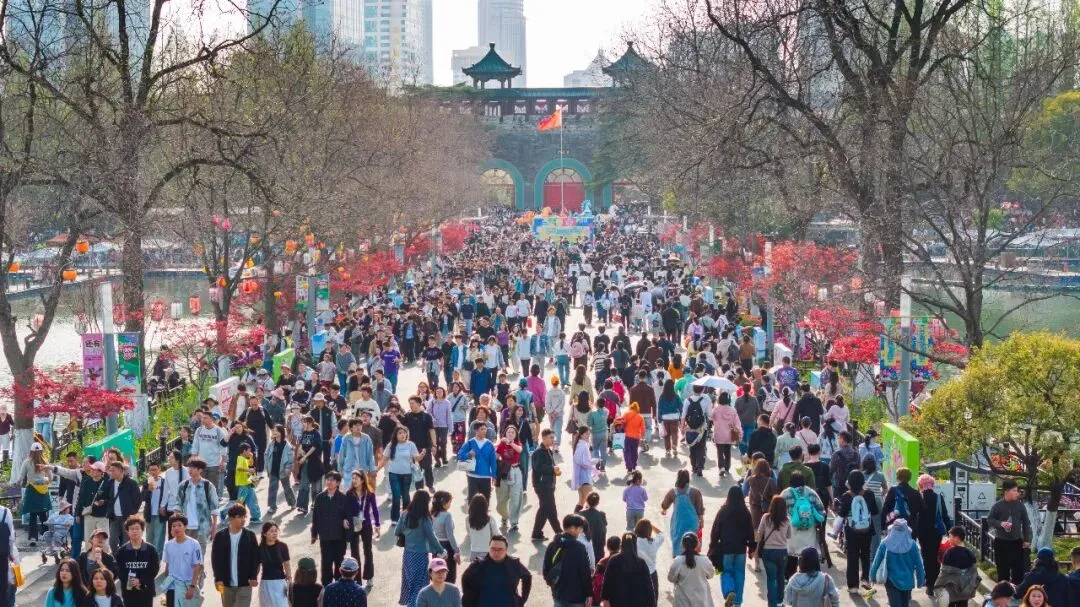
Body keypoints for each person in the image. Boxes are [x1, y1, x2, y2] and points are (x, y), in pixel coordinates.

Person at [396, 490, 448, 607]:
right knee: (419, 588)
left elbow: (397, 531)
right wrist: (441, 550)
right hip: (420, 557)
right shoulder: (425, 518)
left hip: (407, 556)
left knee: (410, 585)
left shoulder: (405, 514)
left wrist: (408, 532)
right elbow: (432, 537)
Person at [708, 485, 754, 606]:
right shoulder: (746, 512)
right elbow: (750, 532)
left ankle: (729, 591)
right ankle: (737, 602)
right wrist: (751, 549)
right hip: (741, 550)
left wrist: (713, 546)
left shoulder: (723, 511)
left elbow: (715, 530)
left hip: (726, 549)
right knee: (740, 574)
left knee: (725, 572)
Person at [837, 469, 880, 592]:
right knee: (866, 554)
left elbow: (842, 514)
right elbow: (875, 512)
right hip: (867, 529)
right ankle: (865, 579)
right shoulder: (869, 494)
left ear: (849, 482)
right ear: (862, 481)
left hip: (851, 530)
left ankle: (853, 586)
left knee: (852, 555)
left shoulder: (846, 496)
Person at [210, 504, 260, 607]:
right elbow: (215, 560)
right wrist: (217, 578)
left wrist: (254, 576)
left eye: (244, 517)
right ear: (231, 518)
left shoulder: (250, 536)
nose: (243, 520)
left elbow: (255, 558)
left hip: (245, 583)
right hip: (225, 584)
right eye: (240, 517)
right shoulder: (220, 536)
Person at [461, 535, 532, 607]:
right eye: (493, 549)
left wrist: (522, 600)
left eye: (500, 549)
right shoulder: (479, 564)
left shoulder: (514, 564)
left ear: (506, 550)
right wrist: (469, 600)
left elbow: (527, 576)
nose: (496, 552)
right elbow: (466, 578)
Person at [869, 519, 925, 607]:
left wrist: (872, 576)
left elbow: (876, 562)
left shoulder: (885, 543)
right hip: (907, 582)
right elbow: (919, 565)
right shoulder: (913, 545)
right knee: (905, 604)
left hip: (891, 582)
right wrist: (920, 581)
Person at [167, 458, 220, 551]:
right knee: (185, 555)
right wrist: (174, 526)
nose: (190, 470)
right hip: (185, 527)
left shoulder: (208, 486)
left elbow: (214, 508)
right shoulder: (183, 485)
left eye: (193, 468)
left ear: (200, 470)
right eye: (189, 467)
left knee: (199, 556)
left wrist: (214, 528)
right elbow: (177, 506)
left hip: (202, 528)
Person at [542, 514, 593, 607]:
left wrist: (554, 586)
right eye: (580, 528)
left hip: (558, 594)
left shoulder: (553, 544)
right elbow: (585, 572)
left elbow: (546, 568)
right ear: (572, 528)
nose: (581, 531)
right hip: (577, 597)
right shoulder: (579, 548)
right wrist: (589, 594)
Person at [988, 478, 1032, 584]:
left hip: (1017, 542)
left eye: (1017, 490)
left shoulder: (1020, 505)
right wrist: (1000, 523)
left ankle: (1017, 591)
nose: (1017, 493)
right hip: (1001, 542)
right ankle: (1003, 591)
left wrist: (1027, 539)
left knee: (1018, 571)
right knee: (1003, 571)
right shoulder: (997, 506)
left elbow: (1026, 523)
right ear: (1006, 491)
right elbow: (990, 519)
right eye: (1014, 490)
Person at [311, 471, 349, 587]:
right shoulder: (320, 498)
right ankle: (326, 586)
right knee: (326, 563)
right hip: (325, 537)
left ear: (338, 483)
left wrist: (347, 534)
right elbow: (315, 517)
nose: (329, 482)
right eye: (327, 479)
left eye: (332, 480)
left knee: (339, 562)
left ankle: (338, 585)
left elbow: (348, 517)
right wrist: (314, 534)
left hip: (339, 537)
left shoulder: (343, 498)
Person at [915, 474, 951, 596]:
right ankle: (935, 582)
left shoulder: (919, 497)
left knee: (926, 557)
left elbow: (914, 515)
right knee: (936, 557)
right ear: (932, 484)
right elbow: (944, 515)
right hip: (936, 532)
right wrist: (950, 531)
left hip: (922, 533)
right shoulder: (938, 498)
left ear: (921, 485)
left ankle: (929, 584)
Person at [160, 515, 205, 607]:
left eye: (179, 525)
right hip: (172, 585)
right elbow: (167, 566)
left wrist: (192, 586)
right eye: (173, 526)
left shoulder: (194, 544)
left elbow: (197, 566)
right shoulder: (168, 545)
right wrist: (166, 585)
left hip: (188, 585)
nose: (176, 528)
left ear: (185, 526)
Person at [115, 516, 159, 607]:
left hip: (146, 590)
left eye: (137, 528)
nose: (134, 531)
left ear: (142, 530)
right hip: (128, 591)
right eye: (131, 529)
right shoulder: (121, 551)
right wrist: (131, 581)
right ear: (127, 531)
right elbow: (119, 570)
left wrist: (140, 581)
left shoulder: (151, 550)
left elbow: (154, 569)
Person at [344, 470, 379, 585]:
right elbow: (345, 510)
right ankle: (357, 579)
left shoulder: (369, 493)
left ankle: (369, 576)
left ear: (363, 480)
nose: (354, 481)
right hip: (354, 525)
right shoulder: (349, 494)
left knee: (368, 550)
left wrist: (377, 524)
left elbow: (375, 509)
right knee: (355, 552)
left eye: (356, 478)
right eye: (353, 478)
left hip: (366, 524)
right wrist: (345, 519)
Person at [383, 427, 424, 524]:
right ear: (395, 435)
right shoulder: (391, 445)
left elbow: (417, 458)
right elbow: (384, 459)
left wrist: (422, 455)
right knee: (396, 495)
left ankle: (406, 517)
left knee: (406, 496)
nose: (402, 435)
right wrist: (376, 469)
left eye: (404, 433)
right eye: (400, 433)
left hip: (407, 474)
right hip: (393, 474)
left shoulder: (411, 444)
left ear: (407, 434)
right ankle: (395, 518)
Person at [600, 533, 654, 607]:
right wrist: (652, 603)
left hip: (617, 601)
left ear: (622, 544)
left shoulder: (614, 560)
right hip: (638, 602)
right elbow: (648, 585)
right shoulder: (641, 563)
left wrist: (605, 598)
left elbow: (607, 581)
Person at [756, 495, 792, 607]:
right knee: (780, 577)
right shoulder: (787, 520)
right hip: (782, 552)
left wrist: (756, 548)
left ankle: (772, 604)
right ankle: (780, 601)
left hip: (768, 551)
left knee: (771, 579)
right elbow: (789, 536)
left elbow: (759, 534)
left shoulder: (765, 518)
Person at [661, 470, 705, 557]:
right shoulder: (695, 492)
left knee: (677, 543)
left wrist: (664, 509)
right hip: (692, 523)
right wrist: (701, 521)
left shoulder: (673, 492)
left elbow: (664, 505)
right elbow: (700, 509)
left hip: (678, 523)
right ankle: (693, 559)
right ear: (688, 478)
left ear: (678, 478)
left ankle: (677, 560)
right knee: (692, 542)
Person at [934, 526, 979, 607]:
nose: (948, 539)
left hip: (951, 589)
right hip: (964, 589)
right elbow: (973, 572)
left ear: (956, 538)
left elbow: (944, 572)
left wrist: (938, 584)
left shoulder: (949, 553)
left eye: (950, 536)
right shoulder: (969, 553)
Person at [531, 429, 563, 542]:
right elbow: (538, 468)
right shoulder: (538, 452)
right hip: (542, 485)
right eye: (551, 437)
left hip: (549, 484)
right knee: (549, 509)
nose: (553, 440)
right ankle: (559, 533)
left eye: (553, 437)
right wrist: (552, 469)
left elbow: (551, 466)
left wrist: (555, 470)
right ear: (544, 438)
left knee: (546, 509)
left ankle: (537, 533)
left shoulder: (548, 451)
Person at [668, 531, 714, 607]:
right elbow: (711, 575)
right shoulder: (705, 560)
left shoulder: (678, 561)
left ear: (682, 545)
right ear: (697, 544)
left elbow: (671, 578)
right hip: (702, 602)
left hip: (682, 602)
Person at [20, 443, 53, 546]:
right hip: (43, 490)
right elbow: (51, 477)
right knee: (43, 514)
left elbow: (21, 476)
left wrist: (19, 482)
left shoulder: (27, 462)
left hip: (32, 489)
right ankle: (45, 535)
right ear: (41, 451)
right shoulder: (45, 461)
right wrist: (45, 480)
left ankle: (33, 537)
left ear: (31, 451)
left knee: (33, 515)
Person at [457, 421, 498, 503]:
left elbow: (493, 461)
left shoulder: (489, 444)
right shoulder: (470, 443)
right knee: (472, 500)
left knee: (485, 501)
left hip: (486, 476)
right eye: (482, 429)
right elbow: (459, 456)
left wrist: (494, 475)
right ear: (476, 430)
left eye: (485, 429)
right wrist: (468, 454)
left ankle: (484, 511)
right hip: (472, 476)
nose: (484, 431)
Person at [494, 424, 525, 531]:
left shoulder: (517, 443)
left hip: (516, 471)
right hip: (505, 472)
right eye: (508, 432)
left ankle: (514, 522)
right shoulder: (501, 445)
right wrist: (497, 445)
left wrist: (510, 442)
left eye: (513, 432)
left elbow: (519, 450)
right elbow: (496, 456)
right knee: (502, 498)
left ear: (516, 434)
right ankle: (505, 516)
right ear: (505, 433)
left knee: (516, 497)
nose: (510, 433)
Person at [257, 522, 291, 607]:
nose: (275, 533)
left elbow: (286, 563)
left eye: (276, 531)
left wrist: (289, 579)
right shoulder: (260, 548)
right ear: (264, 534)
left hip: (280, 582)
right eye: (271, 531)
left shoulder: (282, 546)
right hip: (266, 583)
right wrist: (253, 578)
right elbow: (257, 566)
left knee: (282, 604)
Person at [264, 425, 296, 514]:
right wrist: (267, 467)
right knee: (272, 488)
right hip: (273, 470)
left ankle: (292, 502)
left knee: (287, 488)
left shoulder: (287, 445)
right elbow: (266, 454)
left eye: (276, 431)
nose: (274, 432)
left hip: (283, 470)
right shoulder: (271, 444)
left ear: (281, 432)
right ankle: (272, 506)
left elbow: (291, 458)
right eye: (273, 430)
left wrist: (288, 468)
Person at [710, 392, 742, 479]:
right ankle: (727, 467)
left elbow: (711, 417)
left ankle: (721, 467)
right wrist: (740, 433)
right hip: (729, 435)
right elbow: (737, 423)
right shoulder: (733, 410)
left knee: (720, 452)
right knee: (728, 452)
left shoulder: (716, 409)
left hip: (719, 434)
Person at [232, 443, 260, 523]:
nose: (250, 452)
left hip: (248, 484)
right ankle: (230, 515)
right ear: (244, 451)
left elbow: (250, 464)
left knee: (253, 500)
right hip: (243, 486)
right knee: (239, 502)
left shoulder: (244, 459)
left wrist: (251, 457)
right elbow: (239, 468)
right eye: (249, 451)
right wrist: (249, 470)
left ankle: (255, 517)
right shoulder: (240, 458)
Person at [580, 492, 608, 564]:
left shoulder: (581, 513)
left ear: (587, 501)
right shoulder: (601, 514)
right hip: (598, 544)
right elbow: (604, 527)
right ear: (598, 503)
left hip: (585, 542)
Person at [570, 427, 595, 509]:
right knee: (591, 502)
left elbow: (580, 459)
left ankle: (575, 516)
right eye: (586, 434)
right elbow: (578, 460)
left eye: (589, 434)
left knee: (582, 500)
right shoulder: (582, 445)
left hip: (582, 477)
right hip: (584, 477)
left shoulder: (582, 444)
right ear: (581, 435)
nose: (588, 435)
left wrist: (591, 462)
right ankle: (586, 516)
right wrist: (591, 462)